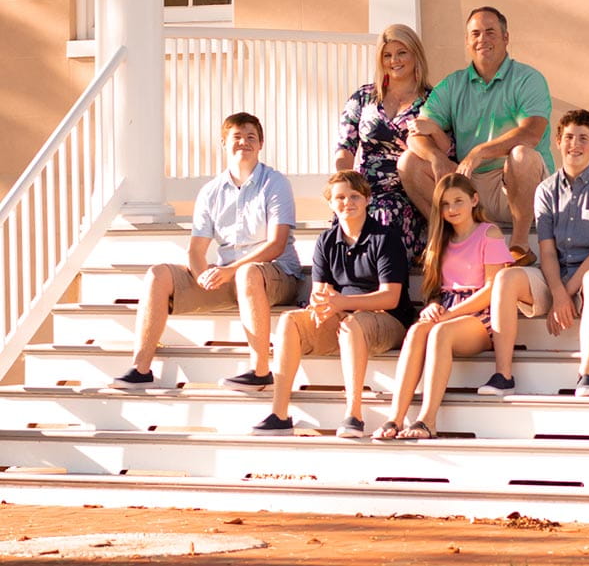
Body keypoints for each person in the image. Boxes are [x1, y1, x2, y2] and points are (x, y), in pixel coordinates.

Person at [111, 112, 302, 390]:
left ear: (260, 144)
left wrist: (229, 271)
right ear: (224, 143)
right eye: (236, 137)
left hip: (276, 274)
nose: (244, 143)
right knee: (158, 275)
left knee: (247, 273)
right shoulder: (211, 191)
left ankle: (260, 370)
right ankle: (141, 368)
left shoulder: (274, 182)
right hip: (229, 276)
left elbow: (276, 244)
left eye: (251, 137)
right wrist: (203, 276)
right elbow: (196, 250)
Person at [252, 170, 415, 438]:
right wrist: (319, 306)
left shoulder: (385, 238)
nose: (347, 202)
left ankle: (354, 414)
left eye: (354, 196)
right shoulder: (326, 241)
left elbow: (391, 297)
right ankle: (279, 414)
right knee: (289, 320)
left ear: (367, 199)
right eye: (339, 197)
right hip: (345, 317)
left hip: (387, 319)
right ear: (330, 203)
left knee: (352, 325)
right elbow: (320, 291)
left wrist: (342, 302)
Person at [481, 109, 589, 397]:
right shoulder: (546, 190)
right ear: (559, 142)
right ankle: (503, 375)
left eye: (584, 139)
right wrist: (559, 294)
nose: (576, 145)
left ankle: (588, 375)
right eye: (569, 137)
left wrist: (565, 293)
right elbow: (546, 252)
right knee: (505, 279)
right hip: (558, 278)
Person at [398, 6, 553, 267]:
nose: (483, 39)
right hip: (472, 185)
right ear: (468, 42)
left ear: (506, 37)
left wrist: (480, 151)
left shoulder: (528, 79)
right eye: (476, 33)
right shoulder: (453, 85)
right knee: (408, 163)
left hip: (516, 185)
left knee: (522, 154)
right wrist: (436, 157)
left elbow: (532, 133)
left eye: (490, 32)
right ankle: (453, 242)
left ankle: (519, 244)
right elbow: (417, 133)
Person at [372, 173, 513, 440]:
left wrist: (449, 315)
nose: (452, 209)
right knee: (415, 332)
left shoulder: (489, 233)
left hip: (478, 315)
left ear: (474, 200)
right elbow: (436, 291)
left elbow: (494, 288)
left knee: (440, 333)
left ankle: (427, 420)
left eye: (458, 201)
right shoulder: (440, 240)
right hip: (446, 309)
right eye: (446, 204)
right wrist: (432, 308)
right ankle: (395, 418)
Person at [335, 24, 443, 262]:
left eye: (402, 52)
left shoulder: (433, 100)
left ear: (415, 54)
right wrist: (348, 188)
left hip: (408, 191)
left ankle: (387, 292)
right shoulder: (363, 97)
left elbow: (448, 150)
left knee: (384, 214)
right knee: (346, 212)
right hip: (364, 188)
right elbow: (345, 148)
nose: (394, 60)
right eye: (387, 54)